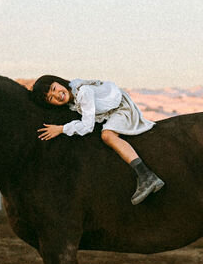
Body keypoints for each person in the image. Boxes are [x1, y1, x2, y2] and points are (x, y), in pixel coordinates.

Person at [34, 75, 165, 204]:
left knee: (107, 135)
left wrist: (61, 129)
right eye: (51, 97)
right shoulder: (72, 99)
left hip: (120, 107)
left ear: (59, 82)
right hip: (109, 111)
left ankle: (146, 175)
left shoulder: (83, 92)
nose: (57, 95)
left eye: (54, 88)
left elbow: (87, 126)